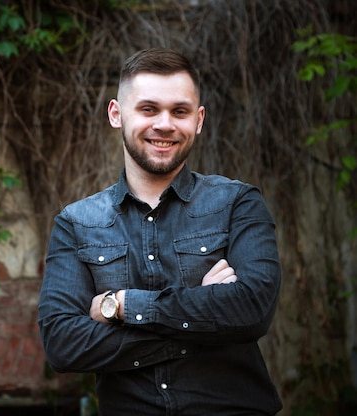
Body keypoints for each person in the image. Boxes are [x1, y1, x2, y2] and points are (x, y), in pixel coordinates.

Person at [37, 47, 282, 415]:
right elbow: (62, 345)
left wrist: (120, 305)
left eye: (179, 111)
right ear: (116, 114)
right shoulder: (76, 223)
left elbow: (252, 309)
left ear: (198, 120)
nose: (165, 124)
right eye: (148, 109)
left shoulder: (237, 204)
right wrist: (204, 319)